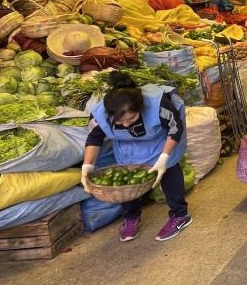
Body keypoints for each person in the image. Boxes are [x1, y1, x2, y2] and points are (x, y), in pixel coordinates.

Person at [81, 72, 190, 242]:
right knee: (128, 176)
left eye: (131, 119)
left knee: (168, 169)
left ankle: (180, 214)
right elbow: (94, 138)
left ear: (141, 108)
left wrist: (163, 158)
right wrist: (87, 167)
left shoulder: (159, 106)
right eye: (119, 123)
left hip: (162, 137)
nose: (125, 125)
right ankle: (131, 217)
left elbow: (175, 129)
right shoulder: (100, 115)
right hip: (128, 145)